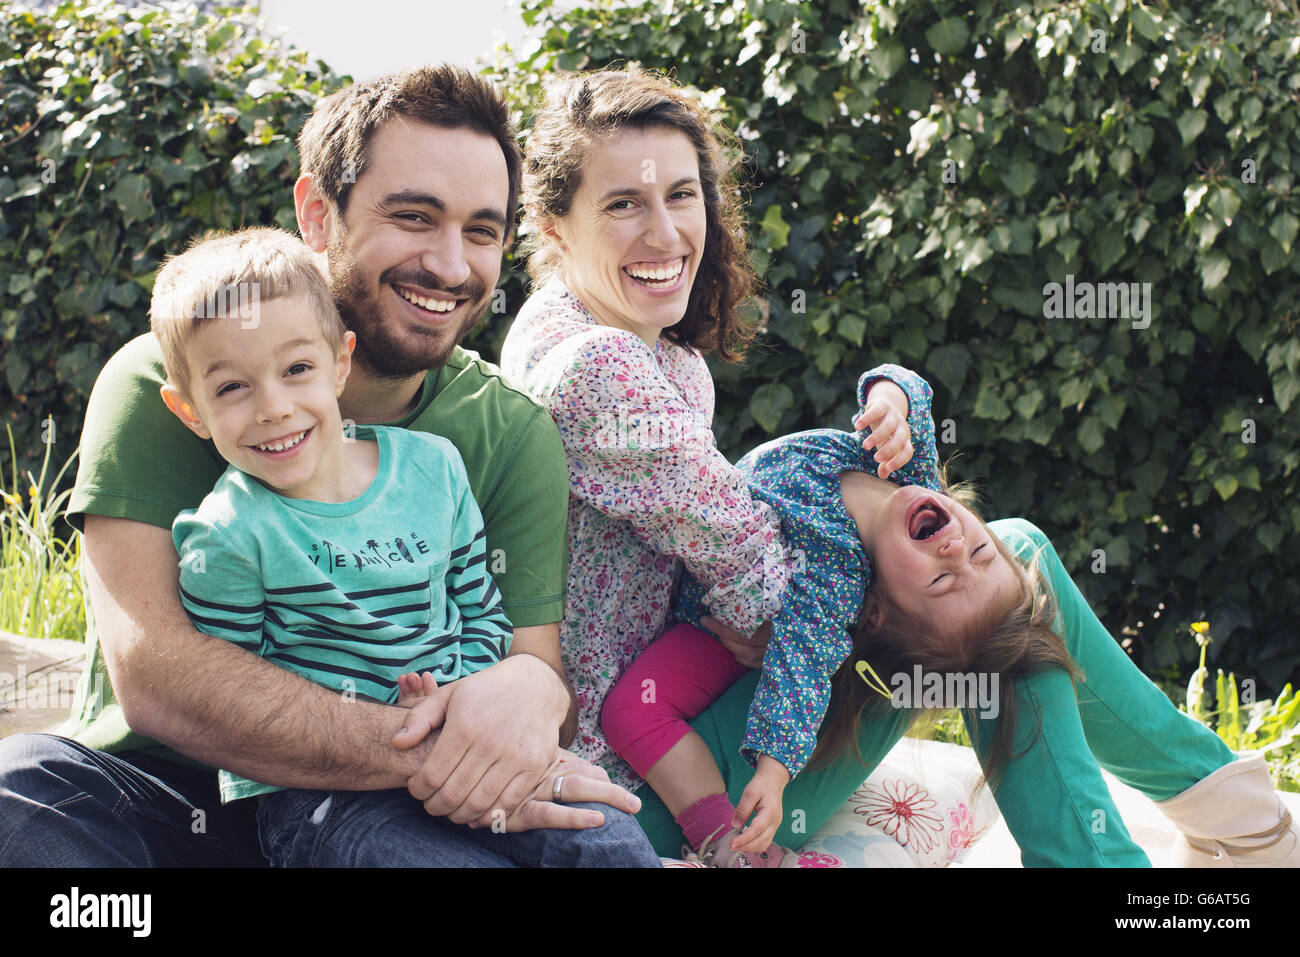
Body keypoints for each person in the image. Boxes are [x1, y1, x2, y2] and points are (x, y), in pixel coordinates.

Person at [501, 68, 1298, 867]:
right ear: (553, 222)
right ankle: (1206, 836)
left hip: (673, 711)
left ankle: (1226, 826)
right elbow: (762, 585)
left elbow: (746, 560)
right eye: (622, 203)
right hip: (650, 782)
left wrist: (884, 461)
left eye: (681, 194)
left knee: (989, 572)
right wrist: (861, 565)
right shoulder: (598, 366)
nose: (667, 233)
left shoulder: (631, 345)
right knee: (1009, 572)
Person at [0, 64, 640, 868]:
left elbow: (531, 669)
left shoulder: (506, 434)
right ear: (316, 212)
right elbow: (156, 676)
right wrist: (432, 747)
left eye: (482, 230)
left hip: (404, 815)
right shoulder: (161, 383)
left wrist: (535, 694)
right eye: (414, 216)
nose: (450, 265)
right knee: (19, 792)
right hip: (170, 802)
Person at [148, 227, 658, 866]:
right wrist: (395, 725)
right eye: (231, 388)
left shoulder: (433, 468)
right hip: (323, 794)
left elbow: (482, 614)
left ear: (340, 362)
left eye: (297, 369)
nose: (273, 407)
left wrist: (458, 697)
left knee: (612, 841)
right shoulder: (226, 536)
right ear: (189, 409)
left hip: (471, 739)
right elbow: (236, 700)